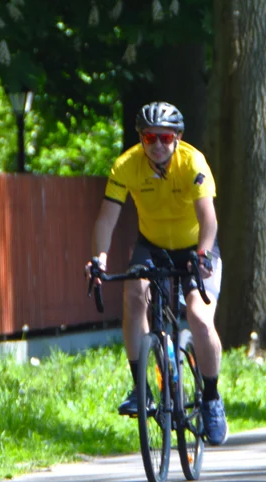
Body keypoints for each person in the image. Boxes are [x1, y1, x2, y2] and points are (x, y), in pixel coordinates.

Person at [87, 101, 228, 445]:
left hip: (197, 246)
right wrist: (99, 259)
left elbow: (208, 218)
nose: (158, 144)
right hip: (152, 245)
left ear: (177, 138)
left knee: (198, 315)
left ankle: (211, 398)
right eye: (150, 137)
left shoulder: (192, 163)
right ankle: (140, 388)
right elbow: (106, 219)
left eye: (166, 137)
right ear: (141, 138)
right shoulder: (126, 166)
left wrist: (203, 254)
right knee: (134, 296)